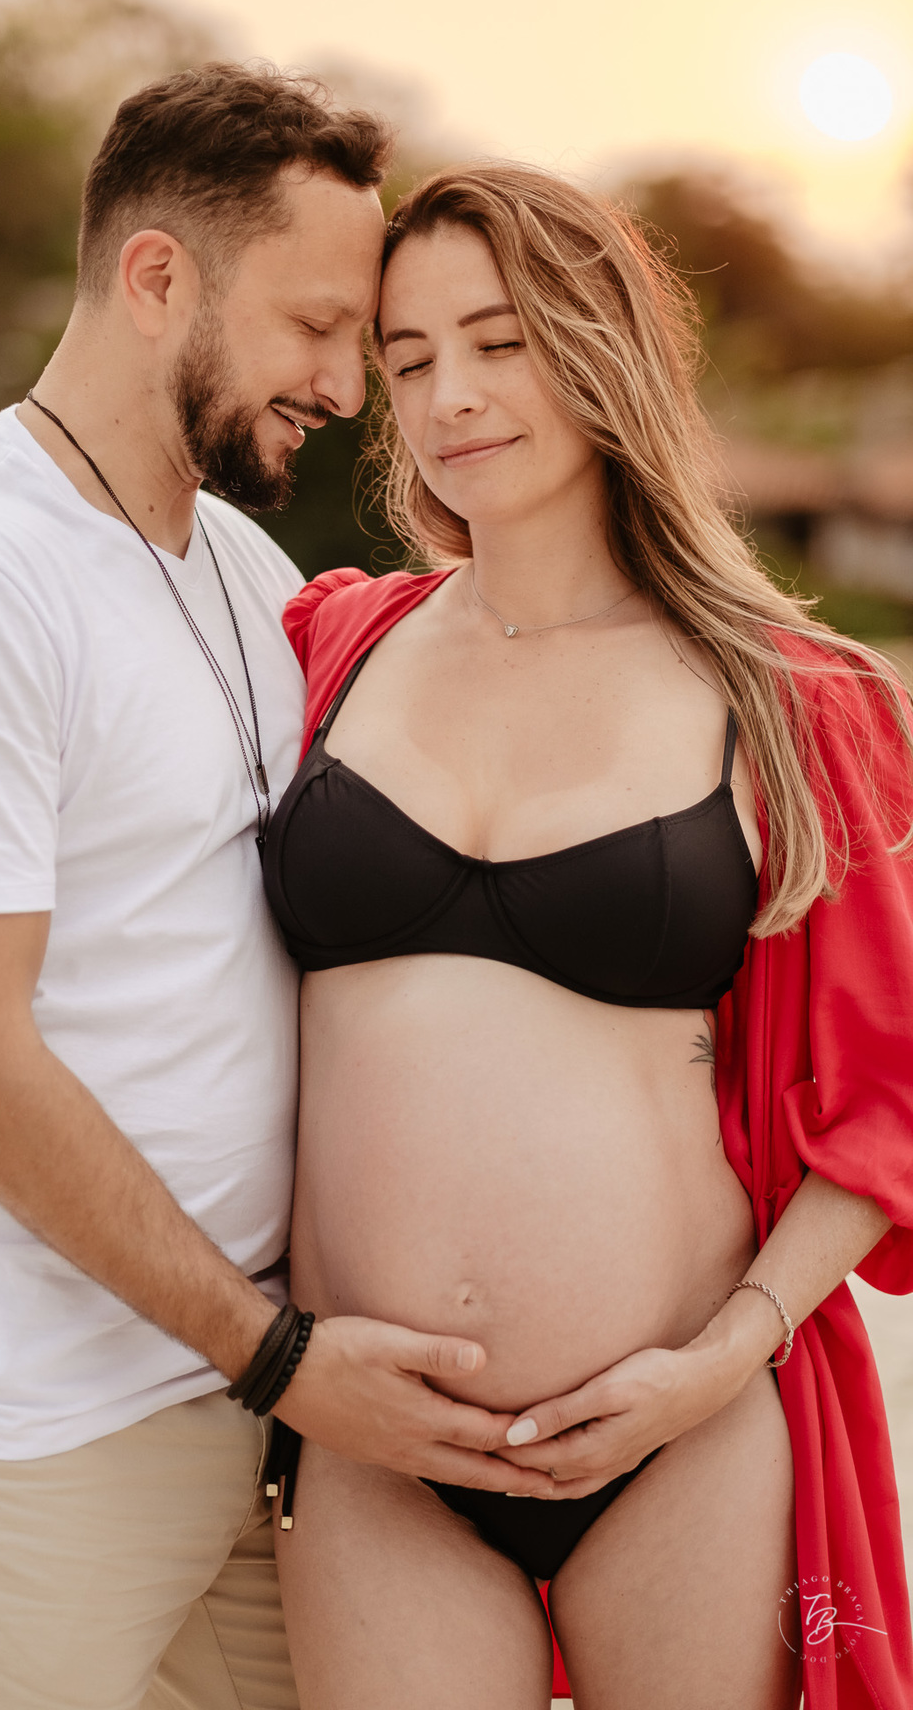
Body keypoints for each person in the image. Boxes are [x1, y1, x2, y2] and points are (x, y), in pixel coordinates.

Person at [0, 68, 532, 1710]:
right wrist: (276, 1355)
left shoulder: (235, 559)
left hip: (230, 1402)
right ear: (155, 280)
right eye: (318, 328)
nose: (353, 384)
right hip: (9, 1420)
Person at [262, 162, 913, 1710]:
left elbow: (889, 1100)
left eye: (499, 342)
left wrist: (718, 1360)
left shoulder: (799, 701)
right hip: (376, 1444)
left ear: (600, 342)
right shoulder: (329, 643)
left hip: (679, 1428)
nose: (450, 397)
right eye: (407, 360)